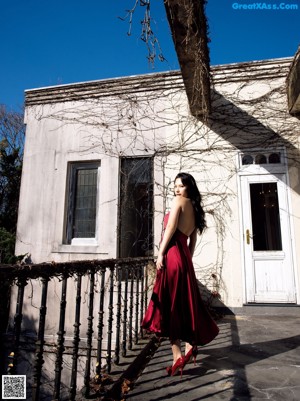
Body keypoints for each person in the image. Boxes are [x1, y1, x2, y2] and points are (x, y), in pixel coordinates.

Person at [141, 172, 219, 377]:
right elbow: (192, 239)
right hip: (183, 259)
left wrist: (160, 253)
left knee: (170, 306)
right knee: (183, 303)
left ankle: (177, 356)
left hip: (172, 256)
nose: (177, 189)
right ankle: (188, 345)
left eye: (181, 186)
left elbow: (171, 228)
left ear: (188, 188)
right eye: (175, 186)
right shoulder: (195, 208)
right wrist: (188, 260)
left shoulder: (178, 202)